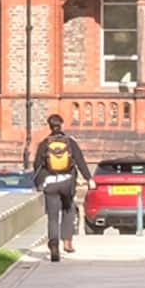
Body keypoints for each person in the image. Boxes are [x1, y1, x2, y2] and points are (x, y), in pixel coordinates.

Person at [32, 112, 91, 262]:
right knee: (69, 209)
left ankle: (53, 245)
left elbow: (37, 165)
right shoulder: (70, 142)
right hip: (67, 183)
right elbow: (80, 161)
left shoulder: (44, 143)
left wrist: (38, 183)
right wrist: (89, 178)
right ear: (62, 125)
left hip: (50, 184)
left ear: (50, 126)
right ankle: (67, 242)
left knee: (52, 217)